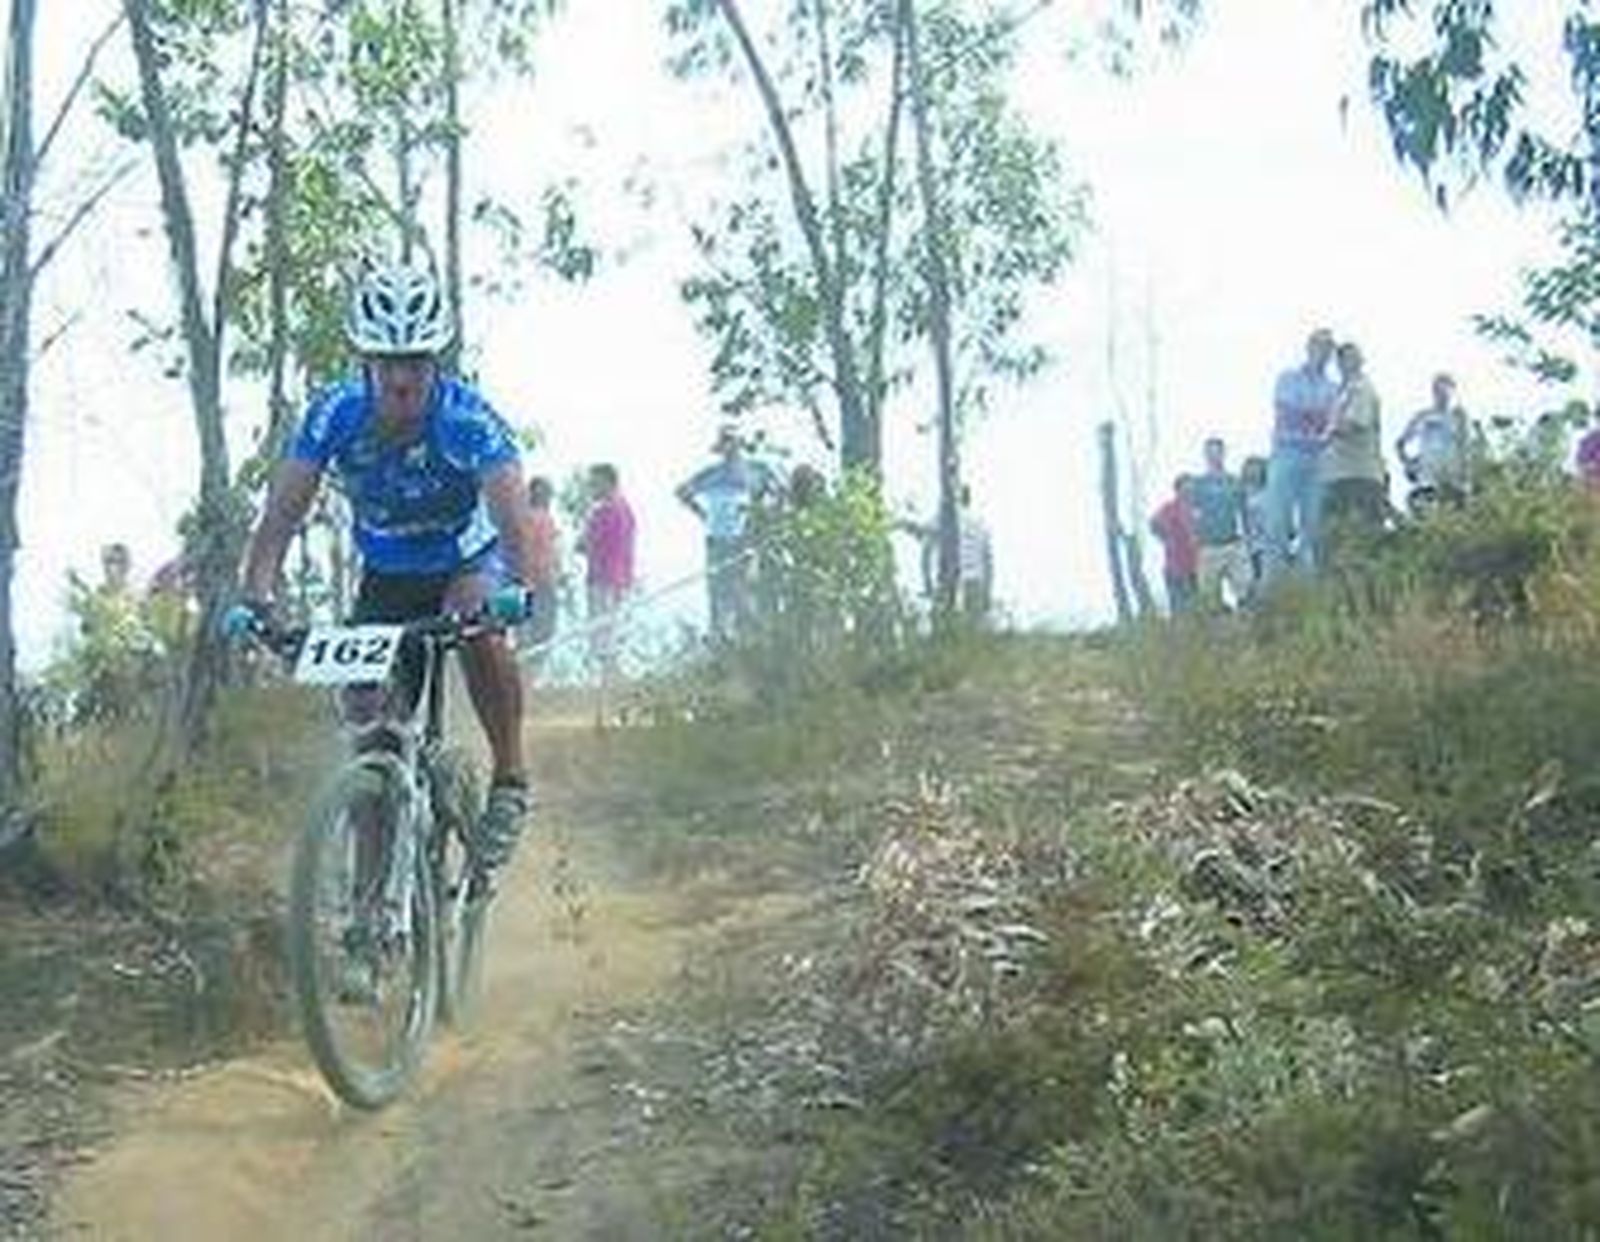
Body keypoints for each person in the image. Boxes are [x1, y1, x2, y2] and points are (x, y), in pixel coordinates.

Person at [228, 262, 543, 879]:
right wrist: (257, 598)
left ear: (436, 362)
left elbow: (513, 513)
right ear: (365, 362)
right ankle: (371, 914)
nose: (402, 381)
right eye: (387, 363)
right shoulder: (335, 414)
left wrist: (522, 589)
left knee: (474, 623)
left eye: (417, 363)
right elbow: (281, 517)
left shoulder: (467, 419)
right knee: (369, 723)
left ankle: (509, 778)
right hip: (387, 577)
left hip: (464, 562)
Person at [675, 426, 776, 644]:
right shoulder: (711, 474)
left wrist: (762, 515)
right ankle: (719, 634)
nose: (729, 448)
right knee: (717, 587)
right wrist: (702, 514)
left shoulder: (757, 470)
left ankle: (749, 636)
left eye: (732, 442)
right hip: (717, 537)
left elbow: (777, 493)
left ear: (740, 444)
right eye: (725, 443)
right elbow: (682, 491)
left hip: (745, 538)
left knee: (746, 586)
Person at [1265, 328, 1338, 580]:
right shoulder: (1288, 378)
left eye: (1328, 348)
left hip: (1317, 460)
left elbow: (1328, 423)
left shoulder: (1332, 387)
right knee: (1277, 524)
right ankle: (1272, 588)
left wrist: (1312, 419)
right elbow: (1287, 415)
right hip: (1286, 455)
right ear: (1309, 347)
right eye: (1319, 346)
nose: (1324, 352)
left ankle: (1307, 589)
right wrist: (1316, 420)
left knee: (1312, 528)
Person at [1320, 340, 1388, 558]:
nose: (1349, 362)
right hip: (1338, 474)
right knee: (1338, 543)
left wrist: (1322, 435)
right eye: (1344, 358)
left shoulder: (1361, 388)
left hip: (1358, 474)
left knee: (1364, 541)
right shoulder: (1340, 392)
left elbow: (1355, 424)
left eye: (1353, 357)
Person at [580, 463, 636, 698]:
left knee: (603, 635)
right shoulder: (625, 508)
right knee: (611, 633)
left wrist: (583, 543)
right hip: (620, 578)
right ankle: (612, 686)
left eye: (595, 482)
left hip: (602, 578)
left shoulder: (605, 511)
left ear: (607, 481)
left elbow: (585, 545)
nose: (592, 487)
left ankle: (612, 687)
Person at [1187, 438, 1251, 610]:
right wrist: (1194, 538)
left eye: (1218, 452)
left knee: (1245, 591)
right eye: (1211, 453)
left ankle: (1246, 623)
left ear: (1224, 454)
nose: (1215, 456)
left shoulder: (1234, 482)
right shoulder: (1198, 484)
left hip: (1232, 543)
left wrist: (1247, 538)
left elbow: (1244, 511)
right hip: (1208, 546)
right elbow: (1191, 513)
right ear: (1205, 456)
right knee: (1208, 599)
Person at [1395, 372, 1469, 514]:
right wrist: (1409, 464)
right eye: (1438, 390)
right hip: (1428, 478)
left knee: (1455, 516)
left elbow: (1464, 445)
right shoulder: (1423, 416)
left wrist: (1464, 472)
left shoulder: (1459, 417)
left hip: (1452, 477)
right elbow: (1400, 443)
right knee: (1429, 514)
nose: (1443, 394)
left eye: (1447, 389)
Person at [524, 476, 562, 663]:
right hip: (537, 583)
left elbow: (553, 551)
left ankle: (531, 677)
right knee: (539, 633)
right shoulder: (532, 518)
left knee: (542, 633)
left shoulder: (544, 518)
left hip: (541, 581)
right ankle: (528, 677)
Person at [1150, 475, 1199, 616]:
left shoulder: (1199, 506)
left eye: (1191, 487)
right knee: (1179, 608)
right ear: (1177, 489)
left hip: (1197, 565)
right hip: (1174, 566)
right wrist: (1165, 537)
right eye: (1185, 486)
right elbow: (1153, 523)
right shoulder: (1170, 508)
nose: (1189, 490)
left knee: (1198, 604)